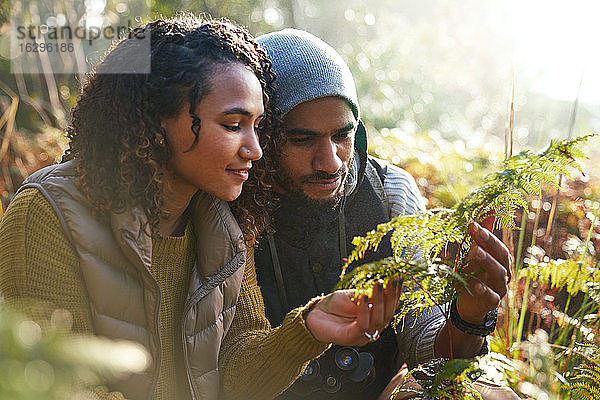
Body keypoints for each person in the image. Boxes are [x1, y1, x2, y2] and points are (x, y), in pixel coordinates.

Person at [0, 17, 403, 400]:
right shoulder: (48, 213)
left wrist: (309, 330)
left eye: (258, 126)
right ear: (155, 123)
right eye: (232, 125)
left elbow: (235, 376)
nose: (256, 149)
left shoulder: (223, 221)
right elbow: (53, 382)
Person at [219, 29, 518, 400]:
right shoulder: (230, 202)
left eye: (342, 136)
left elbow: (424, 348)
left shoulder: (391, 193)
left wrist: (468, 317)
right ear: (261, 135)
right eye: (302, 139)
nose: (330, 162)